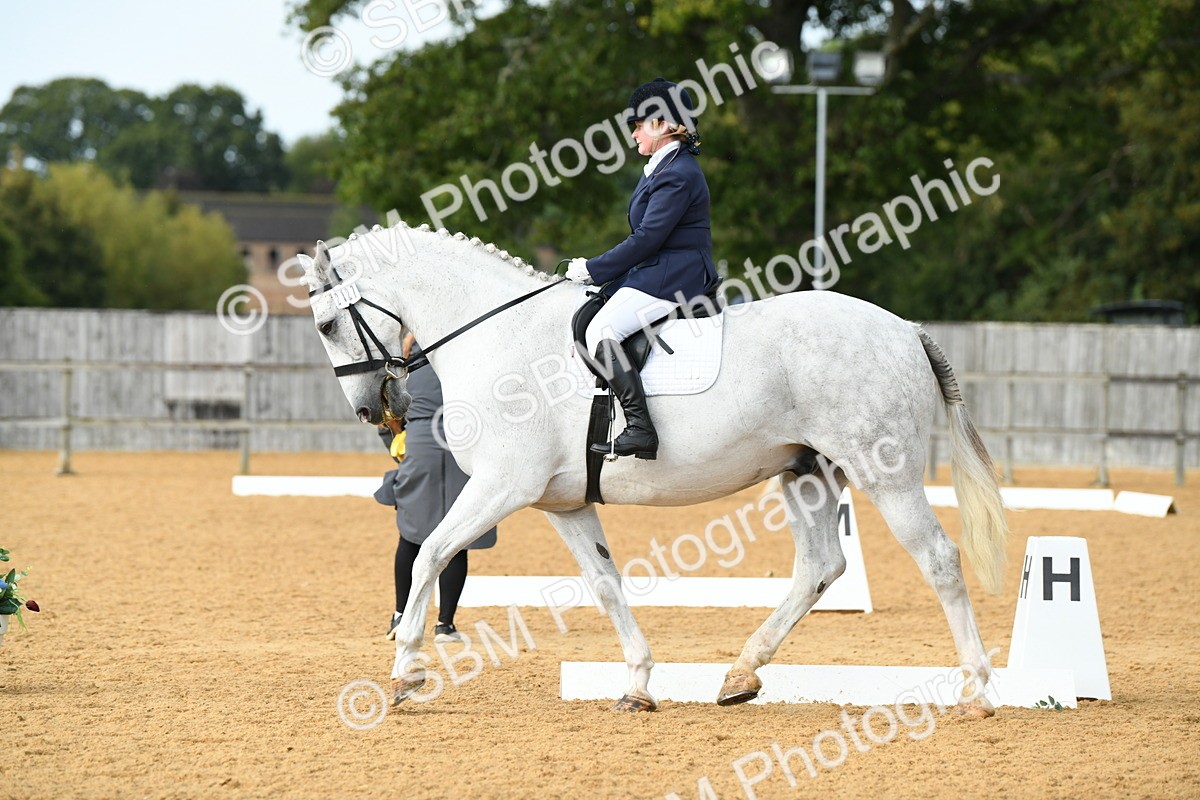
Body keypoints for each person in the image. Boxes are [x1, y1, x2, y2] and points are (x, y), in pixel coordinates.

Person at [566, 77, 719, 461]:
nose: (633, 132)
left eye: (639, 124)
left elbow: (648, 237)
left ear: (665, 125)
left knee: (604, 328)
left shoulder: (678, 173)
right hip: (659, 267)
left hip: (677, 272)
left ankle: (640, 428)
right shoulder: (661, 167)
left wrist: (593, 268)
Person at [374, 334, 497, 643]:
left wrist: (397, 441)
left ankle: (400, 616)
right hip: (463, 444)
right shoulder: (468, 359)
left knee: (411, 536)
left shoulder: (403, 367)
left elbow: (384, 416)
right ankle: (445, 625)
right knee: (457, 538)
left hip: (422, 445)